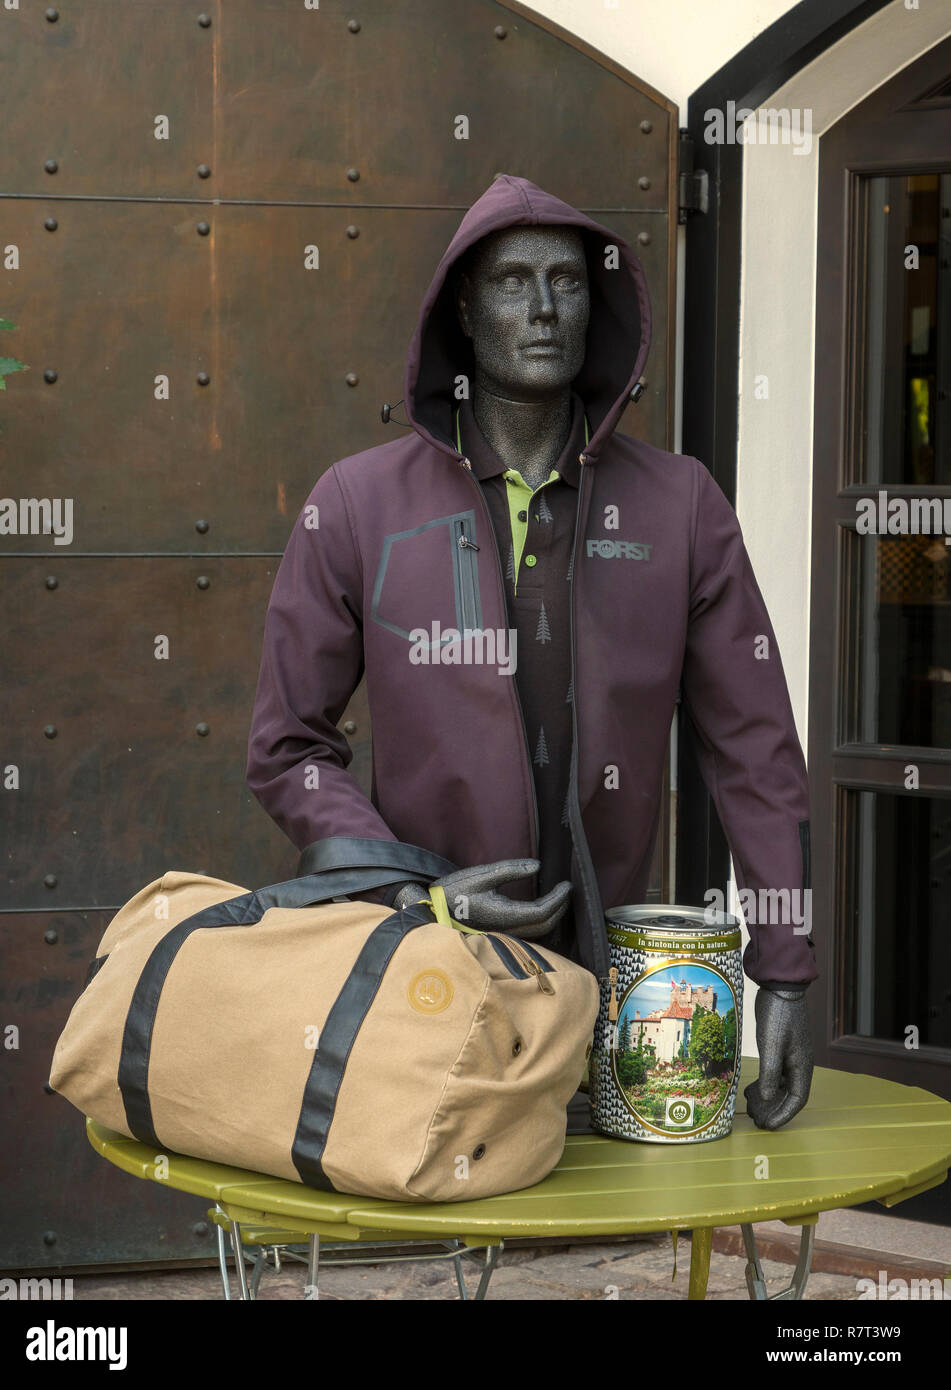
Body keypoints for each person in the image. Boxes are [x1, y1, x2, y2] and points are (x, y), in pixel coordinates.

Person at [247, 173, 815, 1130]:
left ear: (597, 304)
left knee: (606, 1221)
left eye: (567, 281)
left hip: (618, 989)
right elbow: (287, 748)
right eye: (512, 282)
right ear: (463, 311)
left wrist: (786, 967)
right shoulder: (356, 502)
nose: (544, 307)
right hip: (423, 965)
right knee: (444, 1211)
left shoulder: (679, 507)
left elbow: (754, 750)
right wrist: (411, 885)